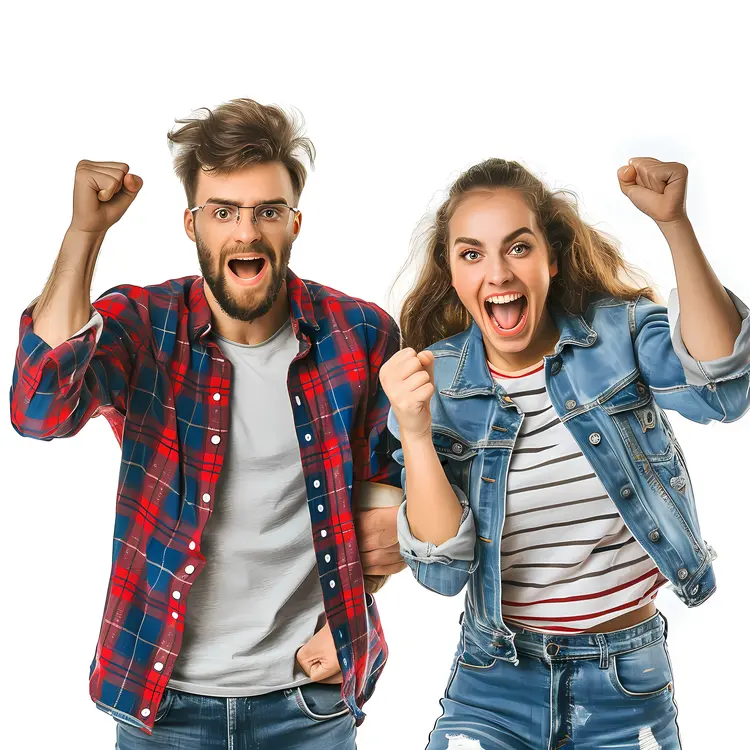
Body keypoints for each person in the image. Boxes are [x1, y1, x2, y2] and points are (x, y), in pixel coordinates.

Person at [10, 98, 404, 749]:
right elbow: (39, 409)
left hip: (307, 706)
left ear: (294, 222)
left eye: (266, 211)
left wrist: (354, 613)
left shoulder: (358, 334)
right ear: (192, 224)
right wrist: (85, 233)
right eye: (224, 212)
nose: (246, 233)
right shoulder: (143, 325)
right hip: (163, 705)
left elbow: (386, 489)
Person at [380, 156, 750, 749]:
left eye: (517, 248)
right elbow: (442, 572)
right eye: (472, 254)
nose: (497, 273)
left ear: (550, 258)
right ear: (452, 274)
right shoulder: (437, 381)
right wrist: (416, 433)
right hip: (494, 679)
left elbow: (721, 388)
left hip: (624, 679)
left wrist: (675, 223)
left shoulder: (618, 336)